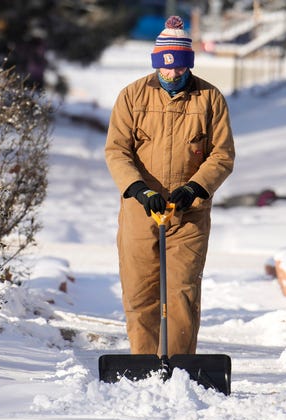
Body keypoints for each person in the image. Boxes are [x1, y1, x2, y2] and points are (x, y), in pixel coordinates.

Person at [105, 16, 235, 356]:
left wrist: (194, 188)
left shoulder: (209, 99)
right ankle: (144, 363)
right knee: (139, 291)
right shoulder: (132, 97)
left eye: (179, 68)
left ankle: (179, 367)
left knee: (181, 292)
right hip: (141, 209)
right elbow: (117, 151)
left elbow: (222, 155)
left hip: (188, 213)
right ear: (156, 63)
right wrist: (137, 189)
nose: (173, 75)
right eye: (166, 68)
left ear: (188, 65)